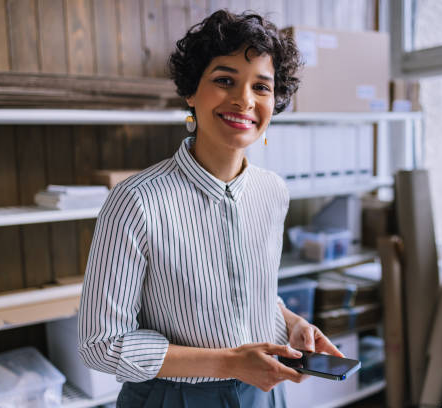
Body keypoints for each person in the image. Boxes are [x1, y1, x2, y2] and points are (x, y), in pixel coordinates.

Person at [78, 9, 342, 408]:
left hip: (263, 392)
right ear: (191, 91)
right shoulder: (136, 201)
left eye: (262, 87)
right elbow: (101, 344)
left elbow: (251, 293)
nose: (244, 100)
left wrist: (292, 323)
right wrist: (230, 363)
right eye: (224, 80)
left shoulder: (273, 191)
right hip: (173, 397)